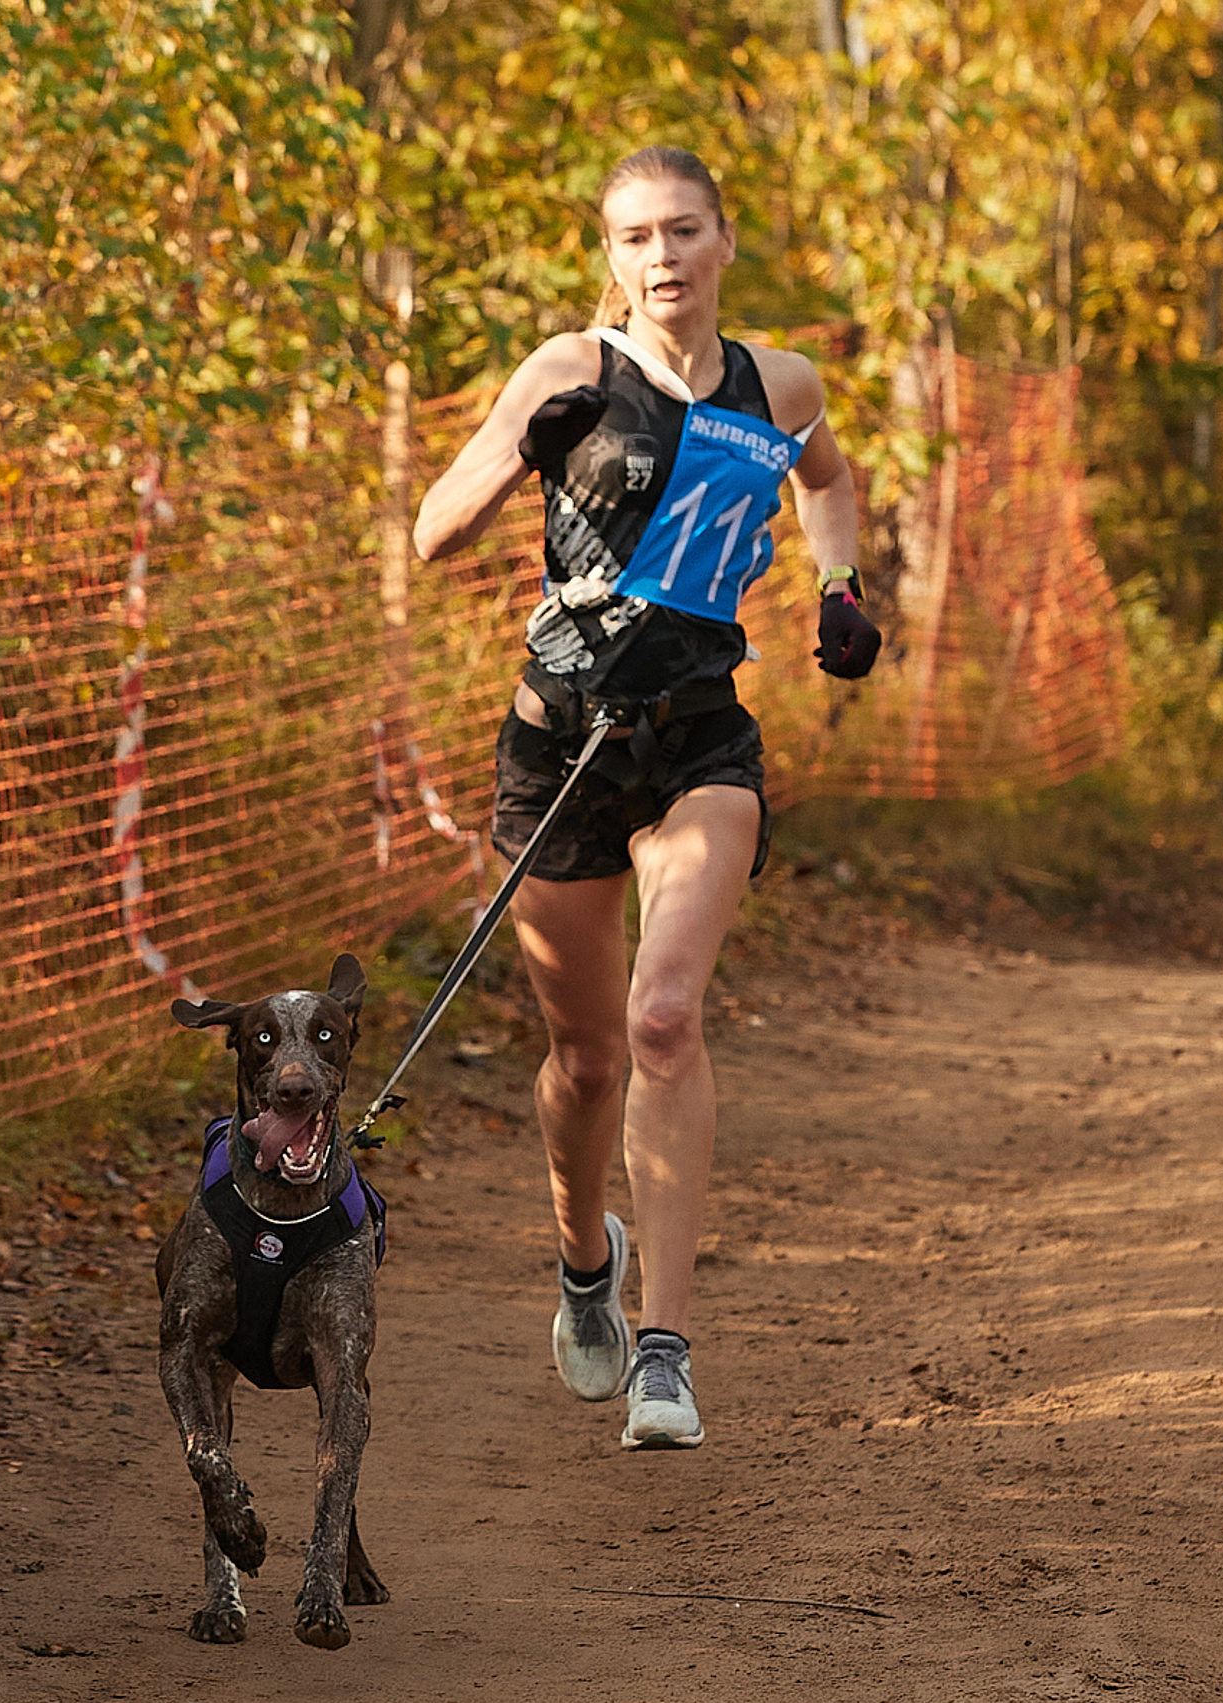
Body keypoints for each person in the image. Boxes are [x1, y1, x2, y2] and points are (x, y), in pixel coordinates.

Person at [412, 144, 880, 1450]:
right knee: (586, 1057)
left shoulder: (781, 383)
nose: (662, 256)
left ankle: (666, 1354)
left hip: (699, 743)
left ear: (726, 241)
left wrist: (842, 591)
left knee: (665, 1018)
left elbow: (829, 481)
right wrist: (524, 450)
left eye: (683, 230)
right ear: (611, 258)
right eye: (635, 237)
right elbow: (432, 533)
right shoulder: (569, 369)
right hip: (558, 749)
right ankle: (584, 1267)